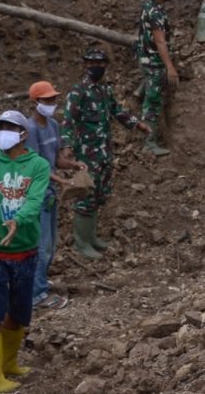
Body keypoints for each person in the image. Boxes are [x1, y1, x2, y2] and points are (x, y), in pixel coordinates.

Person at [0, 110, 50, 393]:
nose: (3, 131)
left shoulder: (37, 165)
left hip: (26, 250)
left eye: (10, 127)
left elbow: (36, 199)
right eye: (0, 127)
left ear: (23, 134)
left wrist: (19, 219)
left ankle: (10, 363)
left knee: (19, 312)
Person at [62, 48, 150, 259]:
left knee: (99, 194)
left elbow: (116, 111)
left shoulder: (104, 91)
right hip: (86, 154)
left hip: (103, 152)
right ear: (85, 65)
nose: (96, 67)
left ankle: (91, 238)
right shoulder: (78, 92)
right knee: (85, 195)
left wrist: (136, 124)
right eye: (92, 63)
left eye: (101, 64)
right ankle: (81, 243)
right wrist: (66, 146)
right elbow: (68, 121)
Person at [24, 80, 87, 311]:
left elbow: (56, 159)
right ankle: (36, 295)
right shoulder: (30, 130)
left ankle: (39, 283)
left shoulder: (52, 125)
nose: (52, 103)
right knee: (41, 245)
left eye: (53, 99)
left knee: (50, 244)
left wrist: (73, 166)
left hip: (49, 193)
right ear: (35, 102)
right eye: (47, 100)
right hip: (36, 194)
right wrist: (62, 181)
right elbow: (35, 166)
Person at [136, 0, 179, 156]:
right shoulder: (156, 13)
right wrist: (170, 67)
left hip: (145, 57)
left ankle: (140, 89)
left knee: (151, 84)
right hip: (153, 61)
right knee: (153, 101)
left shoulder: (149, 7)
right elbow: (160, 42)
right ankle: (149, 143)